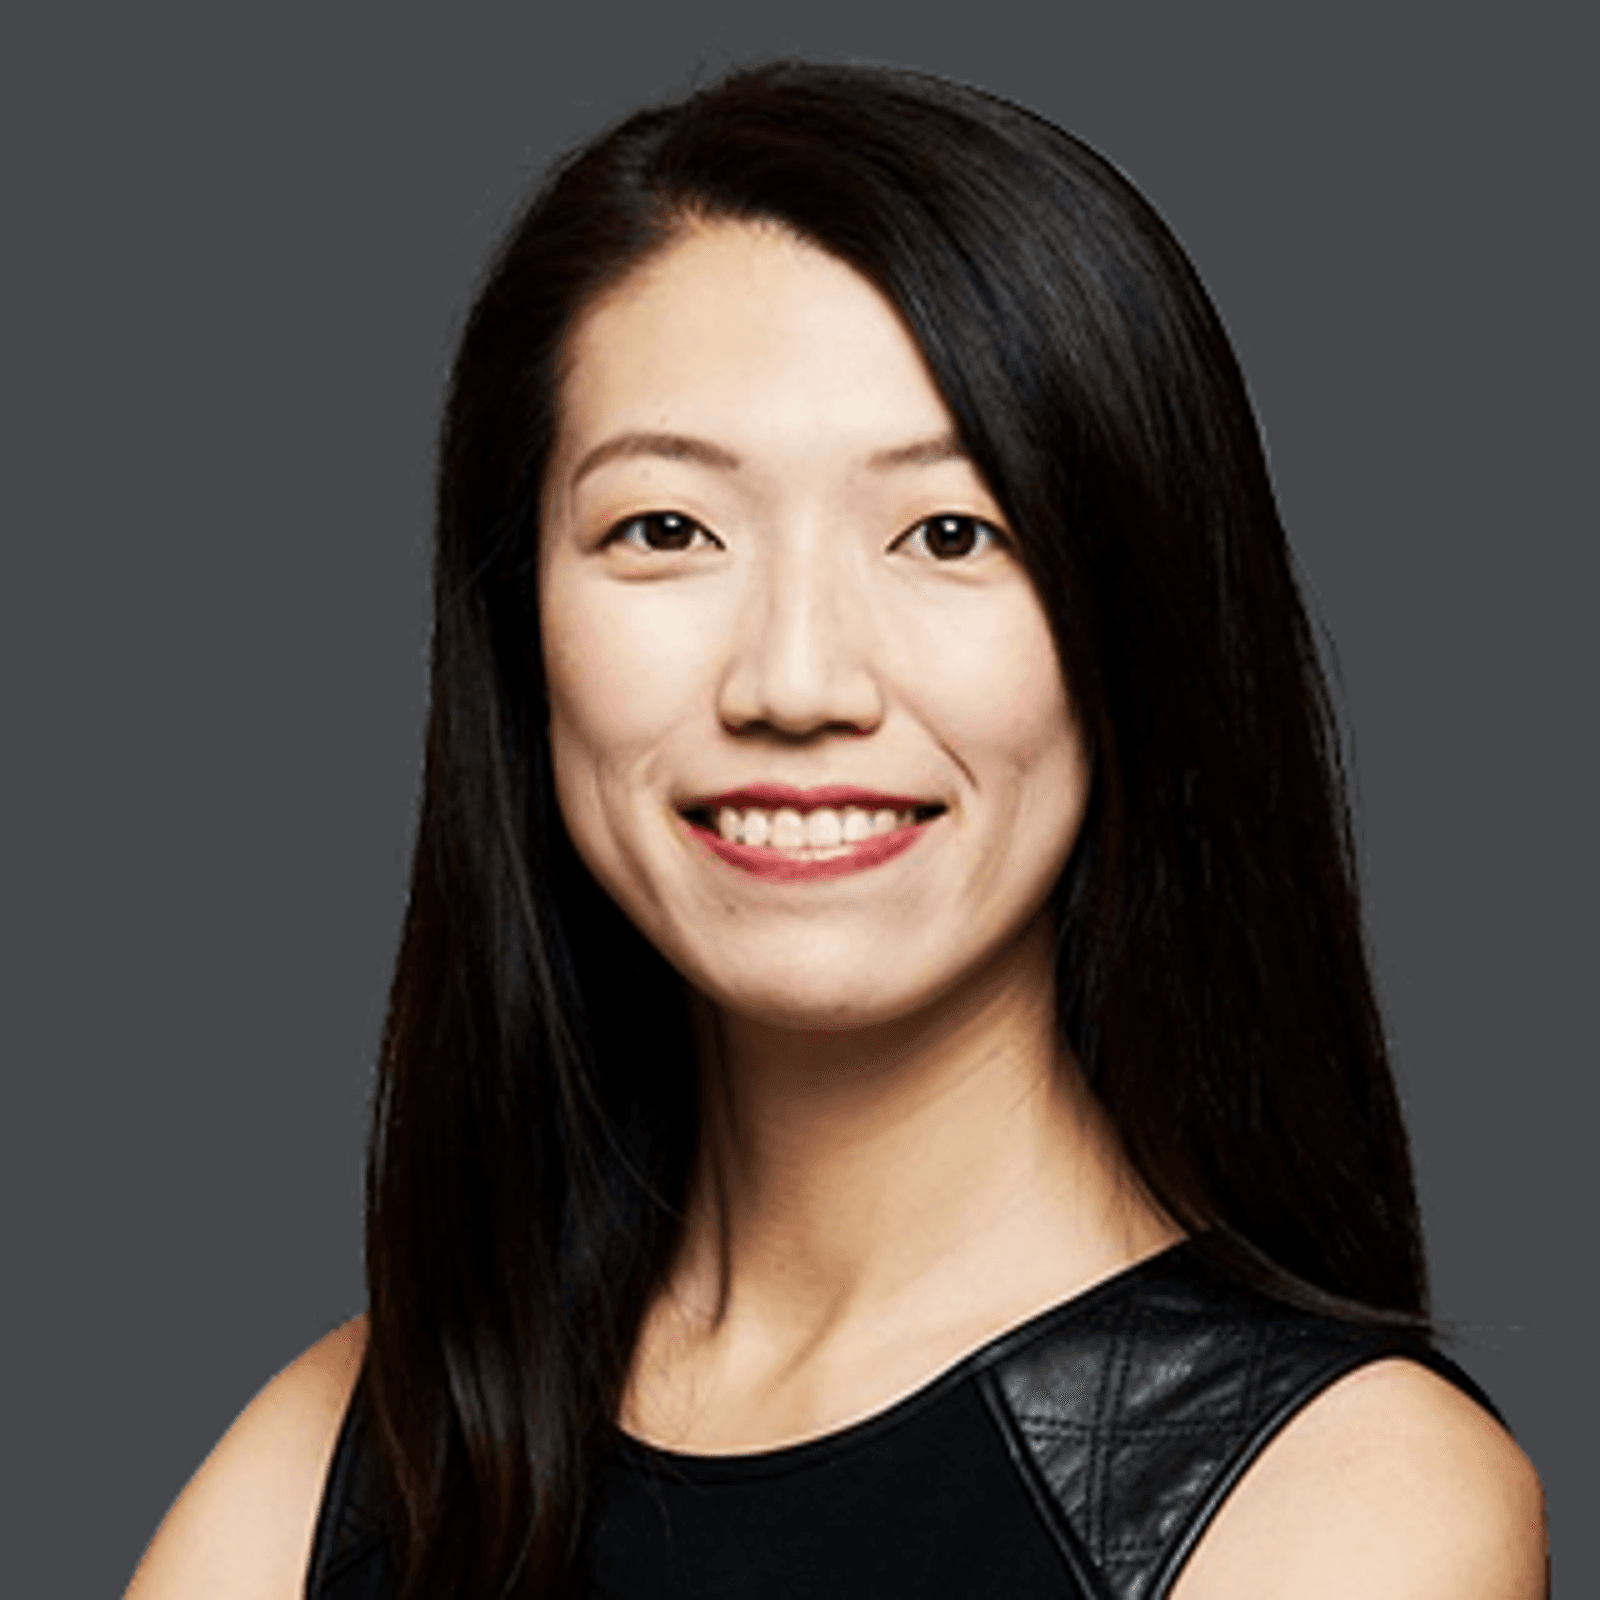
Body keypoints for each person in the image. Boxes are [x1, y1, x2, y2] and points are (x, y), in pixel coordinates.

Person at [126, 61, 1546, 1600]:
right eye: (667, 529)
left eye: (950, 532)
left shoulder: (1345, 1504)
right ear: (519, 628)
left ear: (1137, 628)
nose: (796, 682)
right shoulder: (330, 1459)